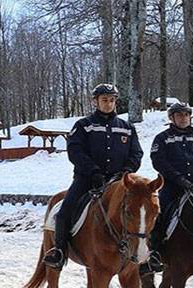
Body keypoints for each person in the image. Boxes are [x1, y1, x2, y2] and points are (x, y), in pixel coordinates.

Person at [43, 83, 143, 269]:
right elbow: (75, 151)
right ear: (95, 101)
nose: (108, 103)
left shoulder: (127, 128)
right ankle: (59, 251)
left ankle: (145, 252)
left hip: (118, 181)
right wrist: (93, 171)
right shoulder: (83, 125)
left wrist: (126, 171)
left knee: (142, 211)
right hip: (87, 180)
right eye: (104, 100)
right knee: (64, 212)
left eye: (112, 100)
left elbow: (136, 153)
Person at [142, 103, 193, 271]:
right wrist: (180, 180)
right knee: (159, 211)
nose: (183, 118)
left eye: (186, 115)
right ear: (172, 118)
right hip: (173, 186)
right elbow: (159, 161)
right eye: (179, 115)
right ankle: (155, 250)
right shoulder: (162, 138)